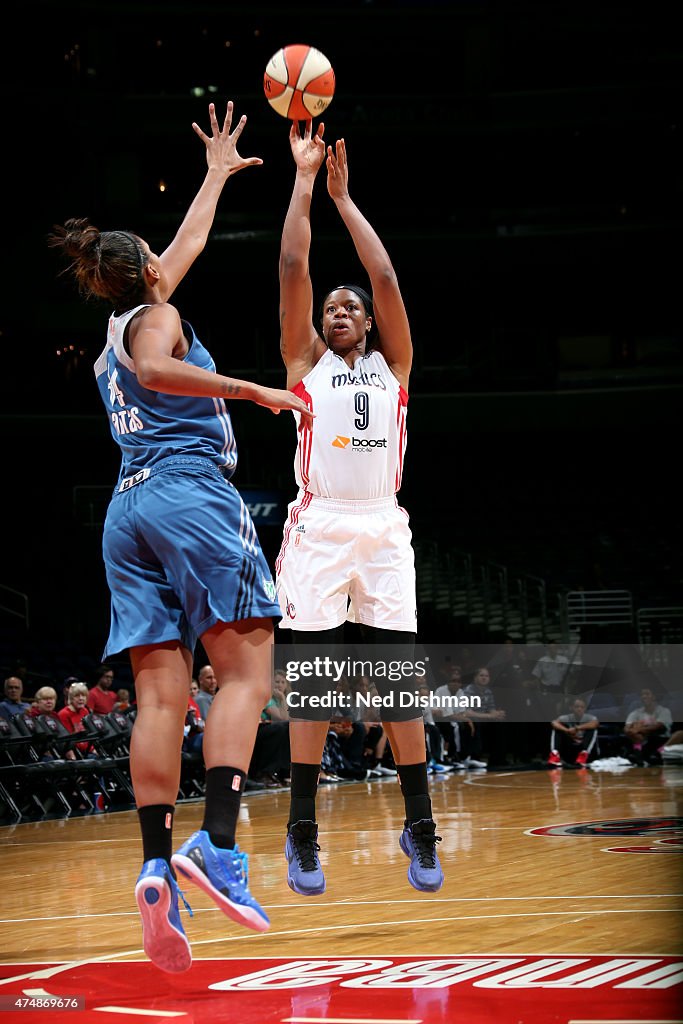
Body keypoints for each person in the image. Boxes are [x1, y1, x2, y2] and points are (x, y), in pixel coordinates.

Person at [48, 100, 314, 974]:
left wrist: (212, 174)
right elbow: (162, 365)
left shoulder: (114, 329)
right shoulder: (153, 327)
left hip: (127, 513)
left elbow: (181, 252)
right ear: (146, 273)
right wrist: (252, 392)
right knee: (244, 667)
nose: (175, 258)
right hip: (187, 493)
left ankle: (157, 866)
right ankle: (222, 846)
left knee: (162, 696)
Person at [274, 120, 442, 897]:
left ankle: (420, 824)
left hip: (382, 528)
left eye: (350, 307)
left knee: (396, 681)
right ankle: (301, 828)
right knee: (312, 682)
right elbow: (292, 264)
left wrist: (345, 198)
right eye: (331, 307)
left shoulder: (393, 366)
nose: (339, 309)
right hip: (318, 526)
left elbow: (387, 279)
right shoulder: (304, 362)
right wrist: (305, 182)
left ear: (367, 324)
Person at [623, 687, 673, 765]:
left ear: (654, 697)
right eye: (642, 695)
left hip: (660, 739)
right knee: (633, 734)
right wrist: (632, 730)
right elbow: (627, 728)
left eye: (647, 694)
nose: (644, 696)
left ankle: (657, 753)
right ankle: (639, 755)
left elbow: (659, 727)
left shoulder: (664, 711)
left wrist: (638, 728)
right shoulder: (635, 713)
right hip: (643, 739)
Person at [547, 696, 599, 767]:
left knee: (593, 730)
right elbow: (554, 723)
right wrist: (567, 730)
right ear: (571, 707)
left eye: (582, 707)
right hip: (571, 747)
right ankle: (554, 754)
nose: (579, 709)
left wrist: (577, 728)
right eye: (577, 707)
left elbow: (595, 724)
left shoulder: (590, 717)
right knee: (556, 729)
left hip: (585, 747)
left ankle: (584, 754)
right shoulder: (567, 717)